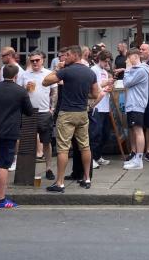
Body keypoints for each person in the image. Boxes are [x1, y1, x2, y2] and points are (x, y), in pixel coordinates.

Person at [42, 46, 100, 192]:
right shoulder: (90, 72)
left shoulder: (66, 70)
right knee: (85, 146)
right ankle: (87, 179)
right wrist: (81, 93)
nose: (64, 58)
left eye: (67, 55)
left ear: (75, 55)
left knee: (63, 148)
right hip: (82, 113)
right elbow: (95, 94)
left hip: (67, 113)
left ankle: (60, 182)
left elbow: (45, 81)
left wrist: (58, 68)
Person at [0, 62, 34, 209]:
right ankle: (1, 199)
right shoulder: (20, 91)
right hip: (8, 131)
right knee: (4, 164)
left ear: (3, 74)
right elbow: (29, 111)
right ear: (16, 76)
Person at [19, 51, 55, 179]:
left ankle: (49, 168)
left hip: (44, 112)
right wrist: (25, 90)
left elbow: (54, 91)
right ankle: (26, 171)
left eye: (37, 60)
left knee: (46, 141)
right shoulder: (24, 74)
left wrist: (53, 108)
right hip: (29, 112)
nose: (35, 62)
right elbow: (19, 93)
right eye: (32, 60)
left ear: (43, 60)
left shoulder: (49, 73)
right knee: (27, 142)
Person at [122, 48, 149, 170]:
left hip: (137, 104)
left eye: (129, 57)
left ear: (135, 56)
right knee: (134, 131)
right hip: (133, 104)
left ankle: (139, 160)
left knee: (138, 131)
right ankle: (136, 158)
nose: (127, 60)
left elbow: (126, 83)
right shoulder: (137, 70)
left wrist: (127, 69)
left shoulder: (141, 70)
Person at [89, 50, 113, 168]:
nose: (106, 64)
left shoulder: (104, 71)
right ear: (100, 59)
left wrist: (109, 87)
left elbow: (104, 86)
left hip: (105, 106)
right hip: (97, 106)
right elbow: (93, 87)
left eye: (108, 61)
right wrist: (105, 84)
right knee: (95, 133)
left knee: (105, 133)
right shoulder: (94, 70)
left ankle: (98, 156)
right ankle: (92, 158)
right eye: (105, 61)